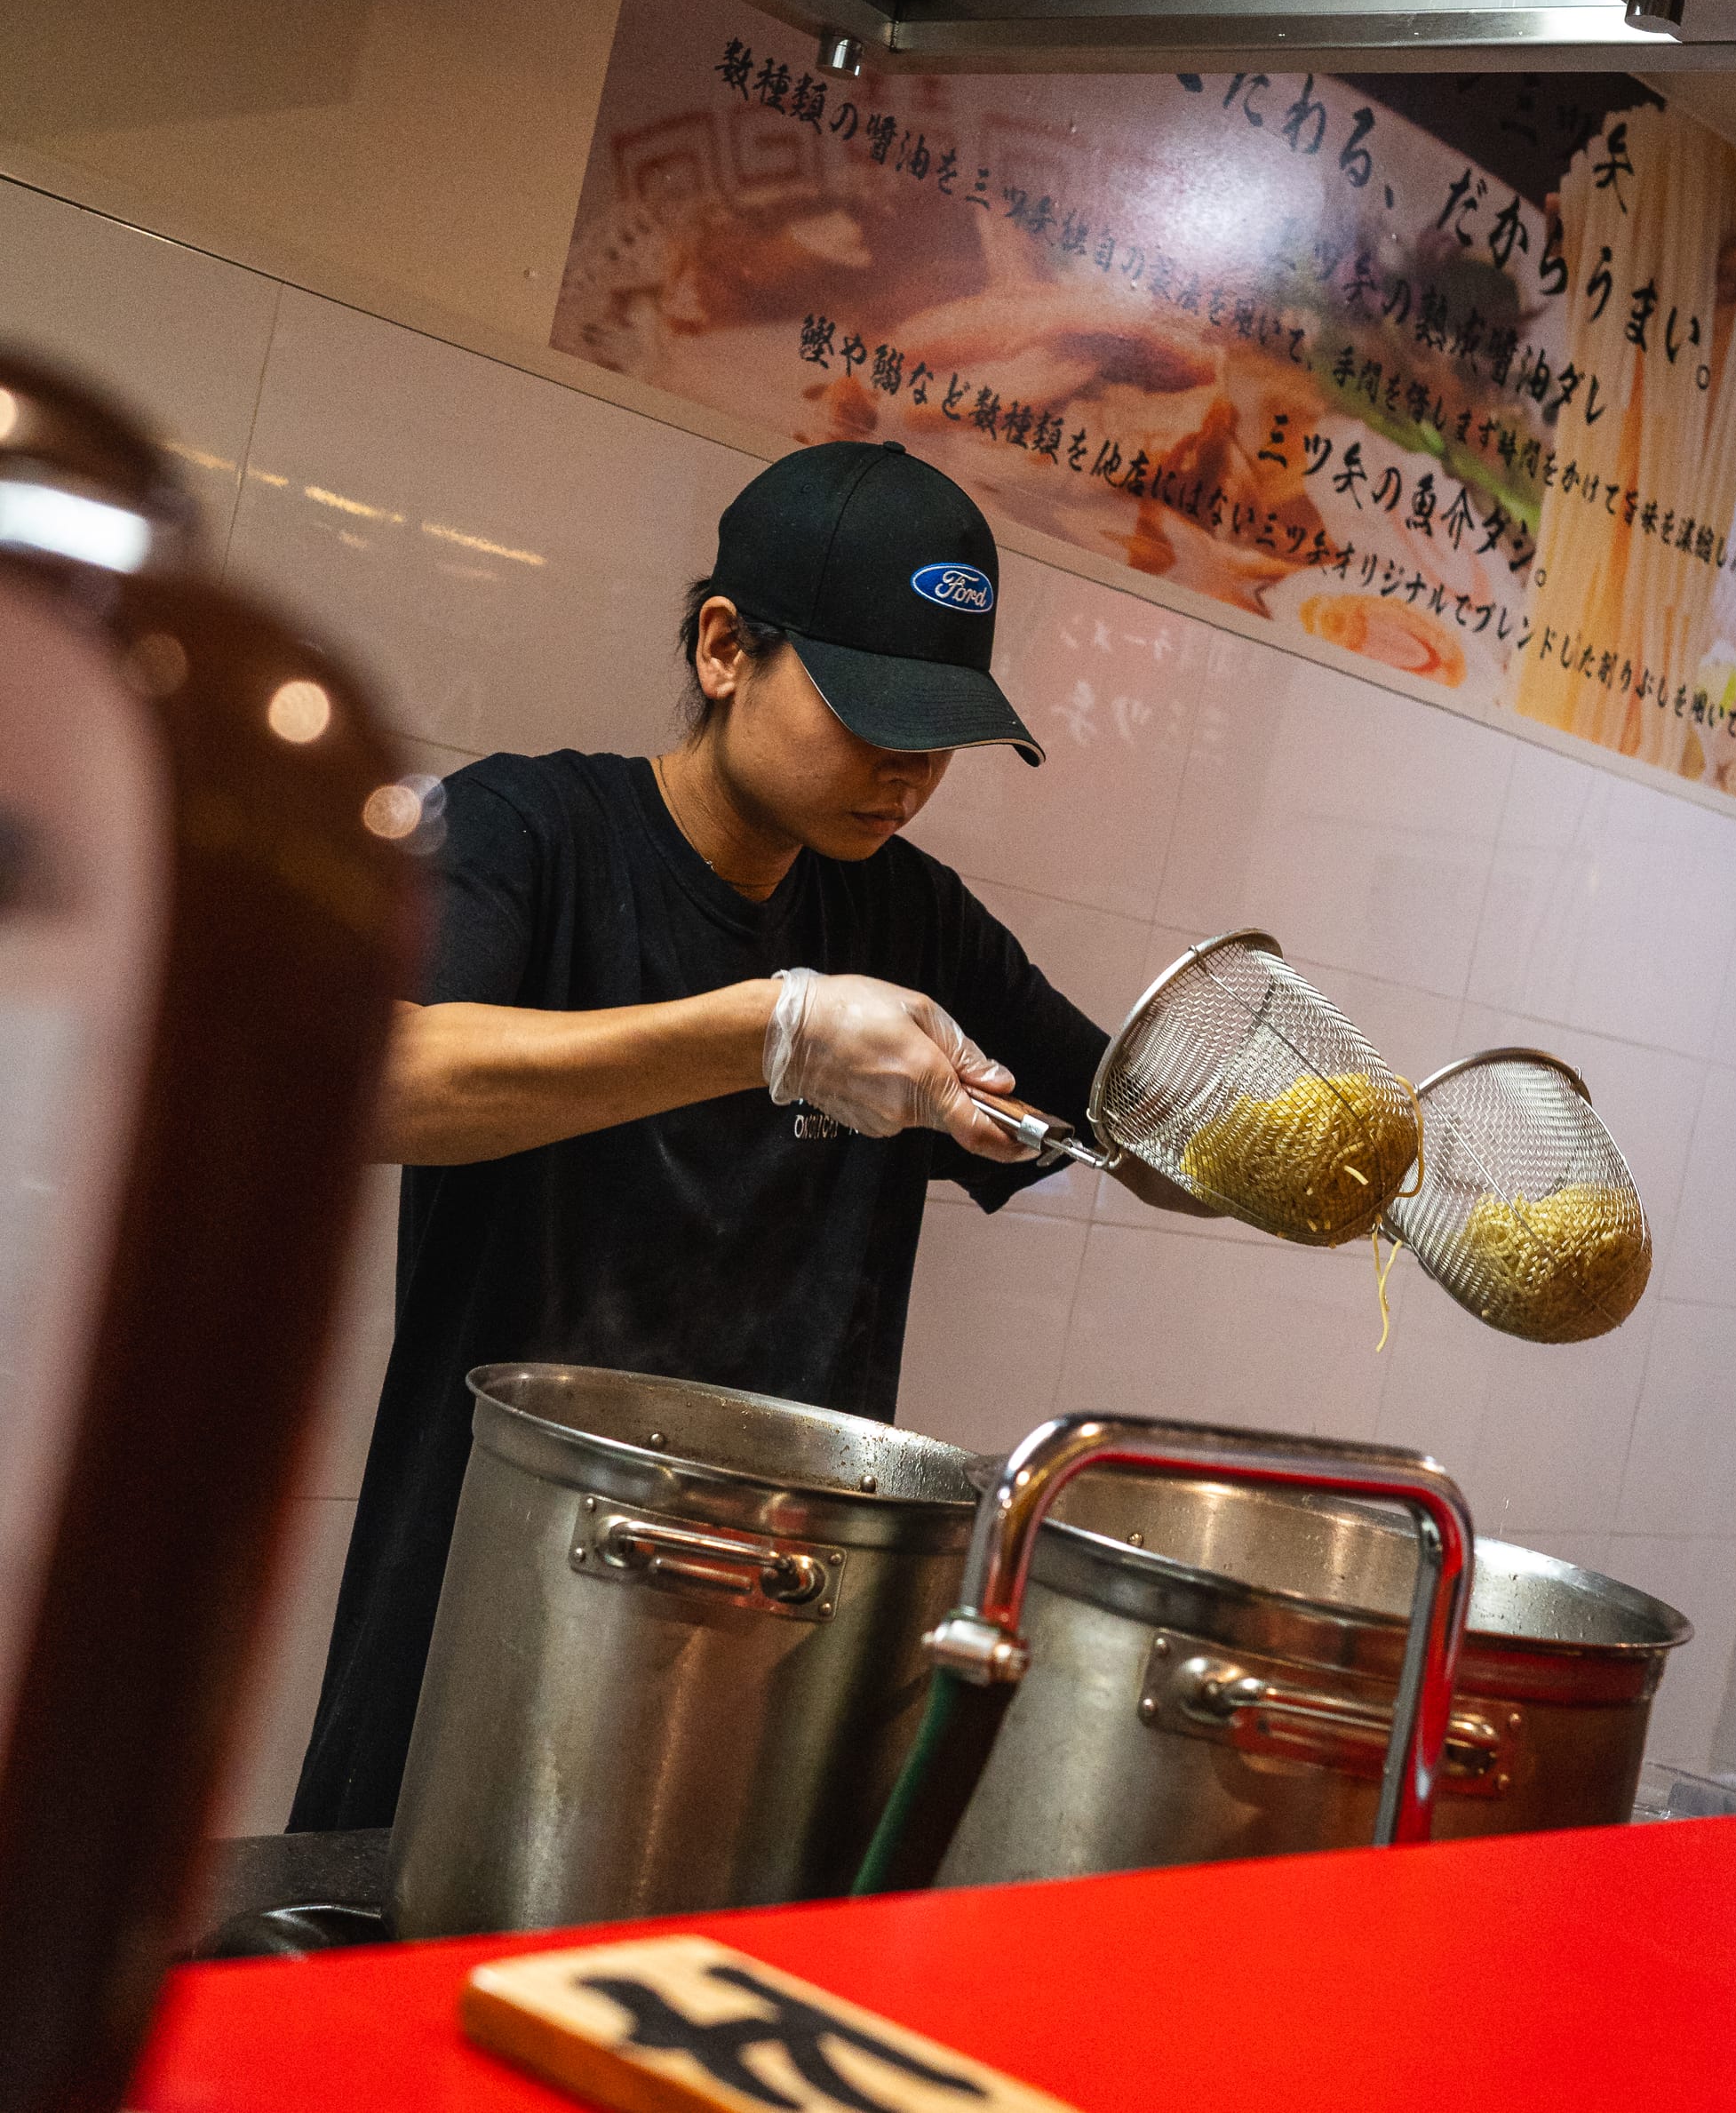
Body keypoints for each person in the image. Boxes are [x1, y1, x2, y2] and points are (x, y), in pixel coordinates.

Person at [290, 439, 1200, 1832]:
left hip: (782, 1647)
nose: (905, 772)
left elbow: (1139, 1125)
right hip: (487, 1618)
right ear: (726, 649)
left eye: (938, 735)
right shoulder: (529, 832)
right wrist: (765, 1030)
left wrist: (1337, 1162)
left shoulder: (911, 916)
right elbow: (372, 1079)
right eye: (867, 714)